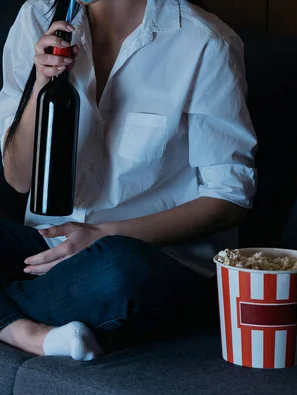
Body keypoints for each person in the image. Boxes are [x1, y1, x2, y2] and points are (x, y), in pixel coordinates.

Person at [0, 0, 257, 360]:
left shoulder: (205, 43)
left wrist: (105, 235)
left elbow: (228, 200)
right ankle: (25, 331)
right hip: (48, 246)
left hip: (144, 259)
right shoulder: (38, 16)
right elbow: (17, 178)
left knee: (116, 272)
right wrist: (41, 83)